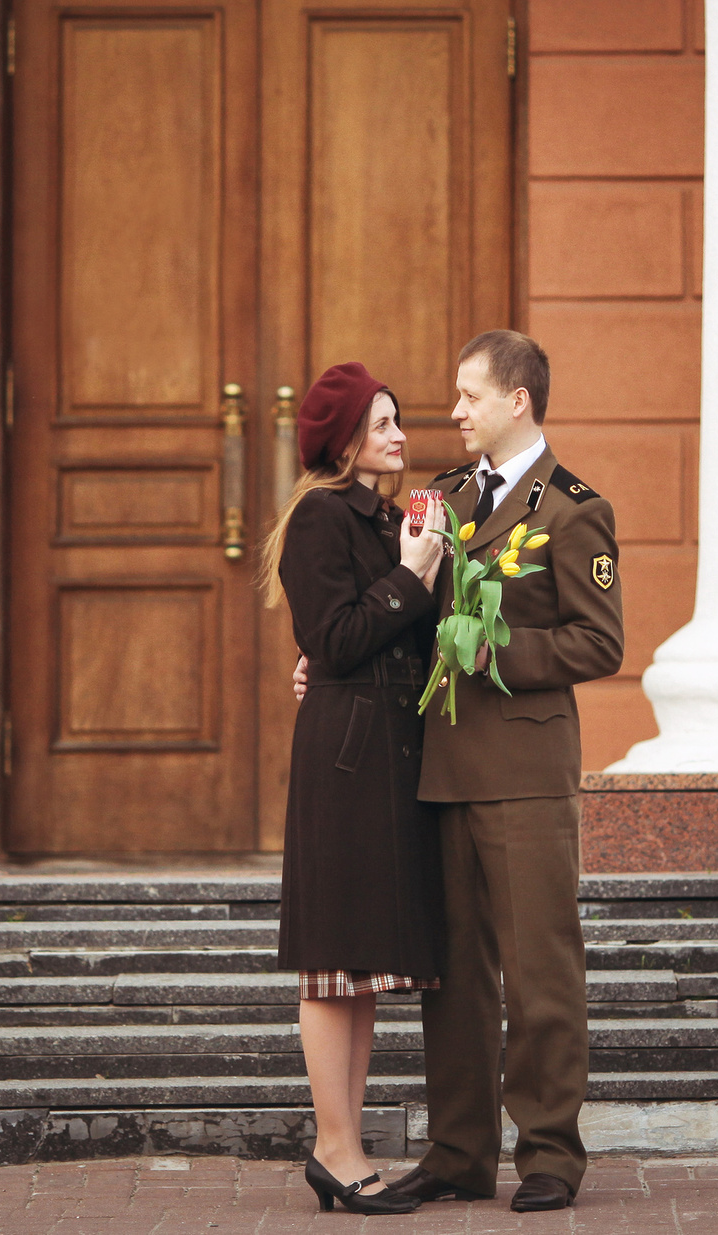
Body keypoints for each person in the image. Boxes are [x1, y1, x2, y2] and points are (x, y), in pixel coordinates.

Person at [390, 329, 624, 1215]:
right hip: (445, 766)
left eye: (470, 395)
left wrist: (499, 649)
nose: (455, 410)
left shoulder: (573, 508)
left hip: (526, 769)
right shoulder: (445, 497)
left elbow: (599, 641)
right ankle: (458, 1152)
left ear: (517, 400)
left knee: (539, 971)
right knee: (452, 976)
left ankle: (550, 1153)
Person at [261, 360, 451, 1216]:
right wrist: (411, 573)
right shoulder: (319, 515)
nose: (399, 434)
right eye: (381, 424)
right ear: (343, 441)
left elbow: (378, 634)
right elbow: (335, 638)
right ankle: (334, 1147)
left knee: (361, 966)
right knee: (333, 959)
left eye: (398, 419)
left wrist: (421, 567)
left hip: (388, 758)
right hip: (346, 764)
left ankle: (343, 1144)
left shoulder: (386, 519)